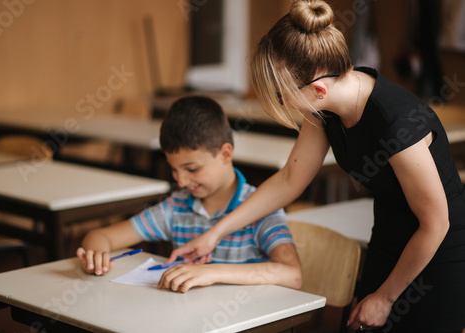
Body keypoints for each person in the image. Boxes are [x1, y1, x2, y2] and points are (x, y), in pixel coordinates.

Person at [166, 1, 465, 332]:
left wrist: (385, 297)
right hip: (389, 240)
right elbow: (290, 180)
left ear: (318, 89)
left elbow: (436, 224)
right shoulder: (326, 106)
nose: (284, 105)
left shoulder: (397, 124)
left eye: (282, 96)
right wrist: (215, 233)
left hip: (437, 253)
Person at [76, 96, 302, 293]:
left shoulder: (262, 207)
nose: (181, 181)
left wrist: (211, 273)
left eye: (192, 169)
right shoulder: (177, 206)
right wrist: (97, 254)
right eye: (174, 170)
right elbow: (101, 236)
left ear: (225, 154)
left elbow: (292, 275)